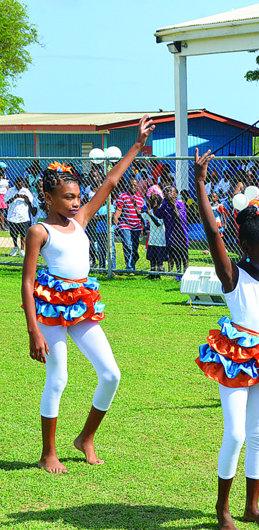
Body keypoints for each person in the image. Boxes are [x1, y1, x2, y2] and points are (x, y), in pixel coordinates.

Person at [21, 116, 153, 474]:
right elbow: (27, 283)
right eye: (68, 197)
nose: (77, 202)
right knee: (58, 377)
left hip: (80, 305)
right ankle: (49, 451)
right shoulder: (39, 230)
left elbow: (110, 182)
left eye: (78, 196)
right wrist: (33, 330)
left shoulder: (81, 219)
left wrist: (138, 145)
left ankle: (85, 438)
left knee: (111, 374)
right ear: (48, 198)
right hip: (49, 310)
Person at [192, 149, 259, 530]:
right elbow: (211, 232)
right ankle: (223, 509)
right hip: (236, 359)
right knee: (235, 432)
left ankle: (252, 507)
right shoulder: (232, 276)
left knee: (258, 434)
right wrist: (201, 185)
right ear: (247, 249)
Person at [113, 179, 145, 271]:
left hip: (137, 226)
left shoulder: (140, 199)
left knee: (134, 248)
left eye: (135, 185)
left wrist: (143, 227)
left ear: (137, 186)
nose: (133, 187)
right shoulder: (123, 196)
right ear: (128, 186)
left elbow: (141, 214)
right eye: (131, 185)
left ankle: (132, 264)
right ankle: (130, 268)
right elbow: (119, 210)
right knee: (128, 245)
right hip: (125, 225)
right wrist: (116, 220)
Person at [156, 186, 189, 276]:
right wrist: (156, 204)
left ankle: (185, 272)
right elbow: (158, 214)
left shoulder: (180, 204)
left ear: (176, 194)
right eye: (167, 192)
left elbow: (179, 217)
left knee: (183, 255)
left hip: (180, 234)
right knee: (176, 255)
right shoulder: (165, 205)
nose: (168, 193)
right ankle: (178, 273)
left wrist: (173, 205)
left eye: (170, 192)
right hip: (170, 235)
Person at [6, 176, 35, 257]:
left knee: (23, 234)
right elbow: (6, 201)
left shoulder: (26, 191)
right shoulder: (11, 190)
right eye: (17, 183)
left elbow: (30, 203)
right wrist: (15, 196)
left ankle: (22, 250)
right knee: (13, 234)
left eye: (20, 184)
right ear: (15, 183)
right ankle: (15, 247)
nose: (19, 185)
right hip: (12, 216)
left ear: (23, 183)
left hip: (23, 216)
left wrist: (26, 198)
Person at [142, 186, 167, 276]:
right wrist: (138, 208)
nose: (154, 203)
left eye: (156, 201)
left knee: (160, 259)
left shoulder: (162, 211)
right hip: (152, 240)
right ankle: (152, 274)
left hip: (161, 240)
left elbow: (158, 223)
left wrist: (149, 214)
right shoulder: (151, 211)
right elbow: (141, 216)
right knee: (152, 259)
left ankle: (160, 273)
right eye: (153, 201)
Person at [0, 162, 8, 231]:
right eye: (3, 169)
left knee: (7, 209)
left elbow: (7, 186)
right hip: (0, 194)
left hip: (5, 194)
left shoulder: (4, 176)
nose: (4, 171)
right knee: (1, 211)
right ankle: (2, 226)